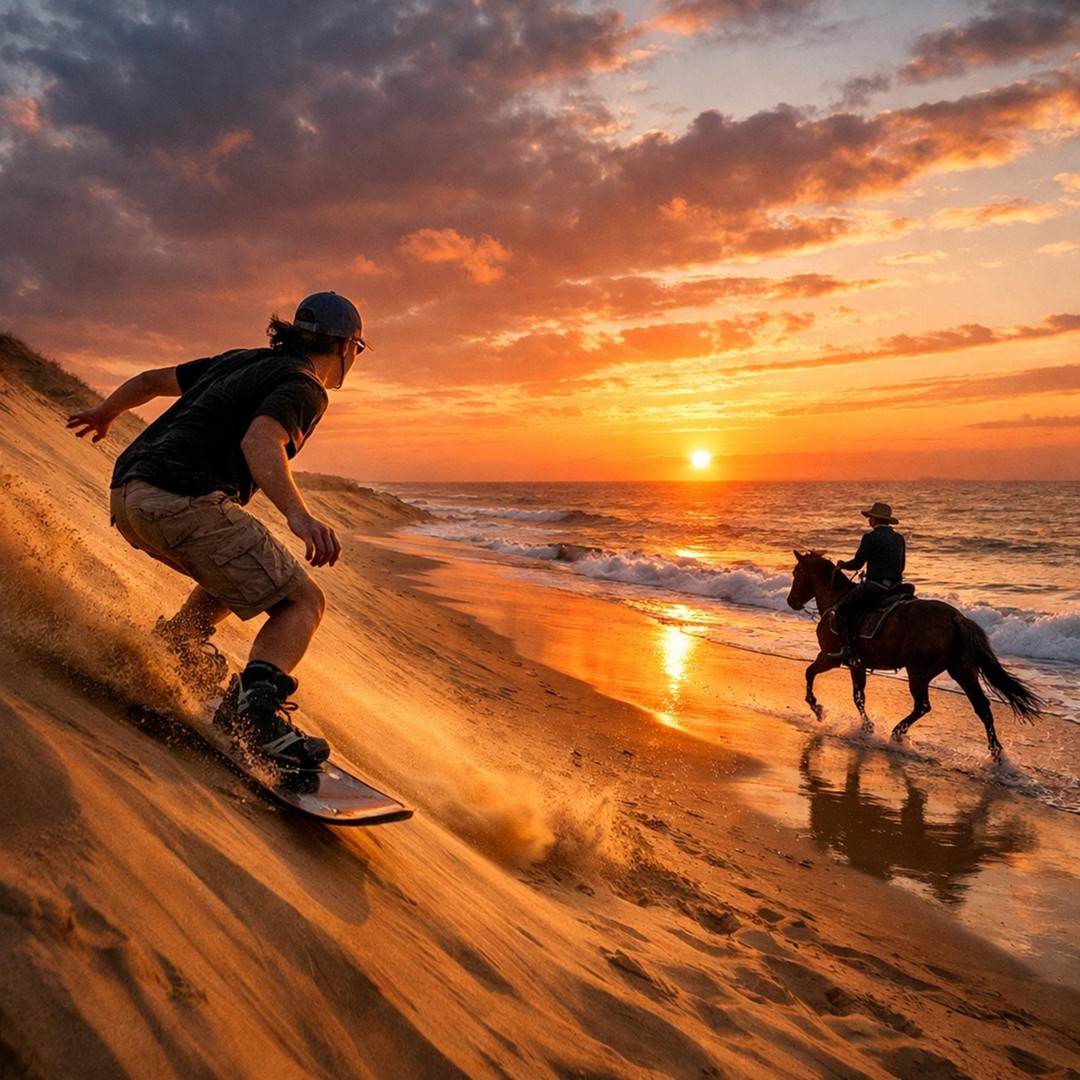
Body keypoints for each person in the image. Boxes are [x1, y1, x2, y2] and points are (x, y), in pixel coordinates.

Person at [66, 291, 366, 770]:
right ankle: (254, 717)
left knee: (238, 567)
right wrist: (299, 516)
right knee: (302, 602)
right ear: (348, 346)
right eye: (359, 349)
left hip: (128, 495)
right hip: (179, 499)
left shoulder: (236, 361)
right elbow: (260, 440)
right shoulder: (305, 385)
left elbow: (148, 381)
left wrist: (106, 413)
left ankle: (177, 645)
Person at [829, 501, 906, 665]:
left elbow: (857, 564)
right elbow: (902, 566)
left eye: (870, 517)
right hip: (896, 587)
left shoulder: (870, 538)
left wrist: (842, 564)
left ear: (875, 519)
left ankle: (847, 650)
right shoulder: (899, 539)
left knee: (842, 611)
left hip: (876, 586)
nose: (868, 520)